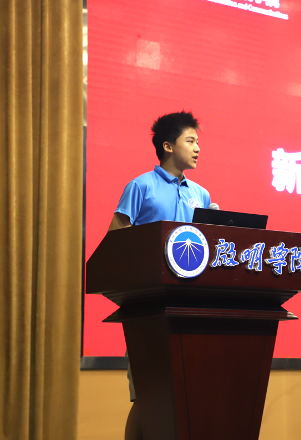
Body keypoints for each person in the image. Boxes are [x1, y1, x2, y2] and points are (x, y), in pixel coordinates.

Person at [109, 111, 213, 440]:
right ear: (168, 146)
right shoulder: (141, 186)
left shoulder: (202, 194)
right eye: (190, 141)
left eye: (198, 142)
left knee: (180, 394)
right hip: (149, 306)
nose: (198, 148)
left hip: (189, 303)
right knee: (147, 393)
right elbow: (116, 240)